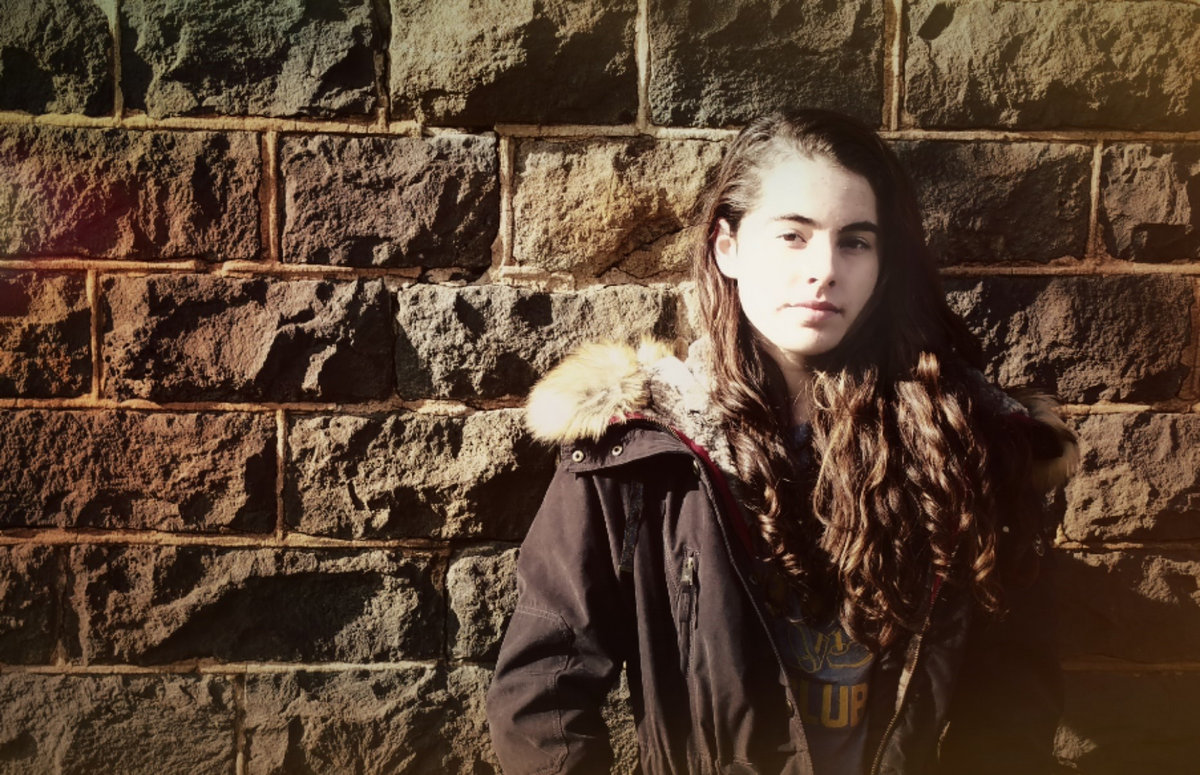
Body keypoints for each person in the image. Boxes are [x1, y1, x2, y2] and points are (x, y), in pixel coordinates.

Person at [486, 109, 1079, 775]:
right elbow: (542, 693)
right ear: (727, 247)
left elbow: (1012, 699)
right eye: (793, 236)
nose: (824, 269)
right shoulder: (641, 452)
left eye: (856, 242)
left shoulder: (963, 444)